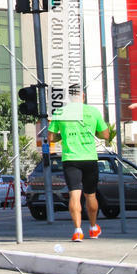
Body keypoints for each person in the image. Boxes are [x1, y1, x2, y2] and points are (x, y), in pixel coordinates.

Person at [48, 86, 110, 242]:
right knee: (91, 195)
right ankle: (93, 228)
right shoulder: (93, 112)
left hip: (70, 159)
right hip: (89, 158)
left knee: (74, 195)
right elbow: (105, 134)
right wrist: (92, 132)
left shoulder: (60, 112)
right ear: (83, 96)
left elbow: (51, 137)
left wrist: (63, 135)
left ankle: (77, 230)